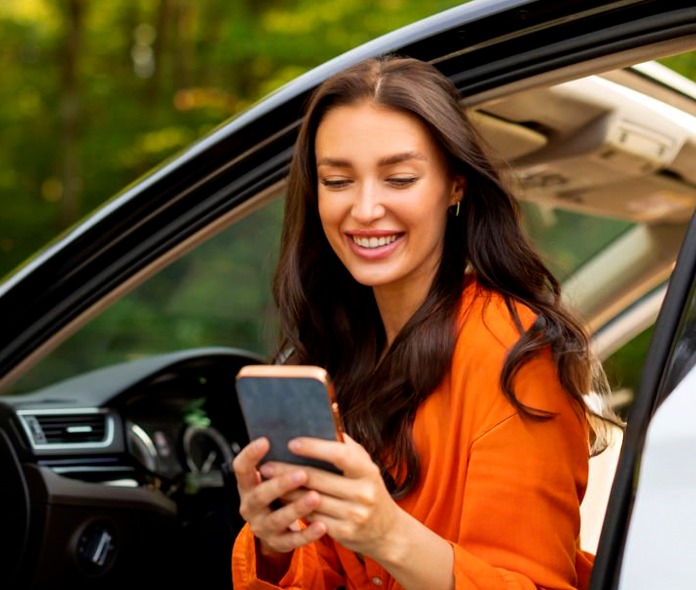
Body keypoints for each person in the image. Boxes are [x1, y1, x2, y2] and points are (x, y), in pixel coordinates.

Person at [231, 54, 619, 590]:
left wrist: (387, 533)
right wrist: (275, 542)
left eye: (400, 178)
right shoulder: (338, 348)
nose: (365, 209)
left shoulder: (515, 350)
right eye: (338, 180)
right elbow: (334, 570)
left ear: (455, 186)